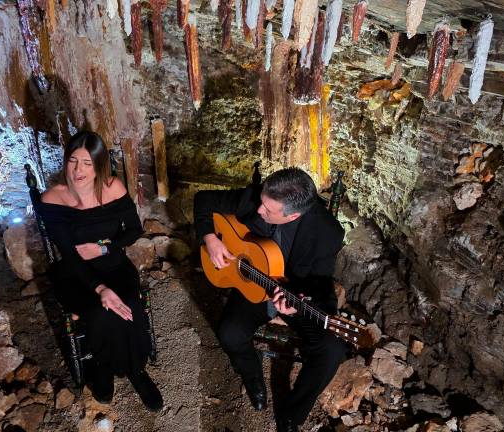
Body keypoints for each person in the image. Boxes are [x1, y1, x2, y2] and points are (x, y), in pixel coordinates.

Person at [193, 167, 346, 432]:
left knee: (332, 350)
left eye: (267, 209)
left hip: (296, 294)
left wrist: (298, 305)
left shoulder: (328, 233)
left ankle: (291, 417)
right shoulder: (258, 198)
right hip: (256, 283)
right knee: (229, 333)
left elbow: (320, 285)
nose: (259, 210)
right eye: (262, 202)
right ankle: (252, 375)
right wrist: (210, 239)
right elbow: (203, 200)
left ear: (293, 215)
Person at [38, 131, 163, 412]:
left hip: (114, 265)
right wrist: (101, 289)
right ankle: (102, 366)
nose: (78, 170)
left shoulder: (113, 187)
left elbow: (134, 230)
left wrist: (104, 248)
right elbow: (70, 255)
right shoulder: (53, 199)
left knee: (128, 304)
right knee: (99, 311)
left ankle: (136, 370)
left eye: (87, 163)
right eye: (73, 161)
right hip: (75, 274)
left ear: (98, 166)